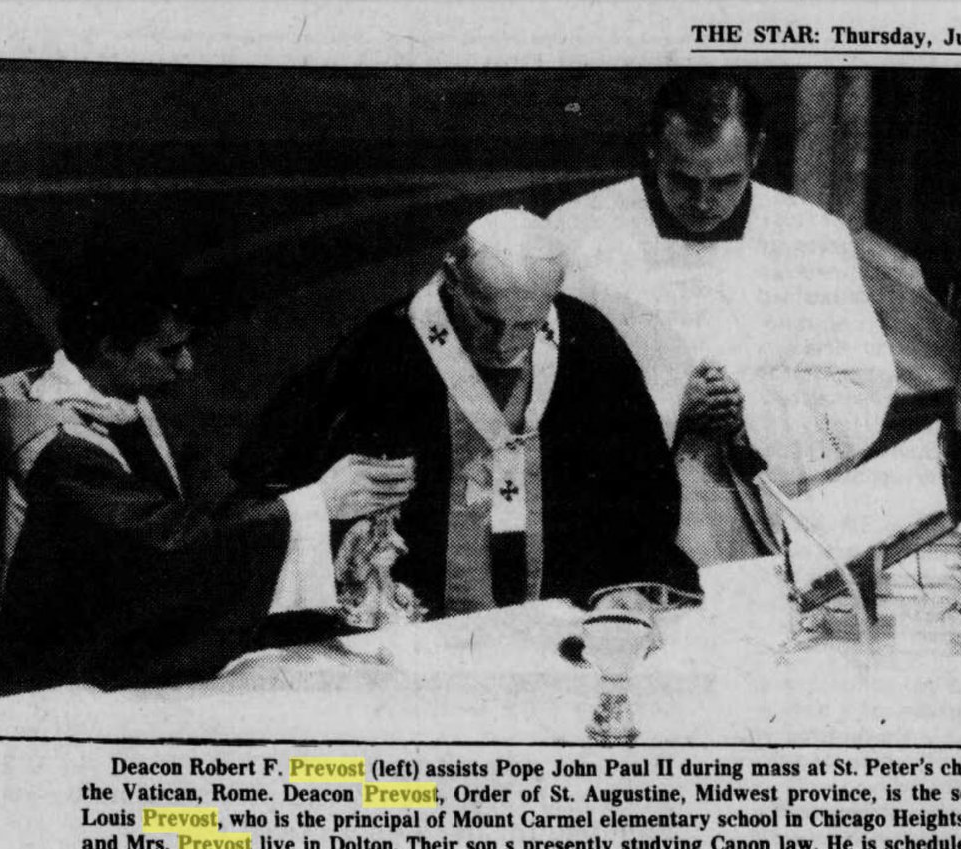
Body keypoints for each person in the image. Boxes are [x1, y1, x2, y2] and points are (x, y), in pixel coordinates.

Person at [235, 209, 698, 618]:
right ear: (451, 278)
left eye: (526, 326)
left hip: (563, 603)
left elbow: (640, 476)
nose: (503, 346)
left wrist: (623, 579)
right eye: (488, 320)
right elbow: (290, 473)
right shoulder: (383, 349)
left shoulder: (586, 338)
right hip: (418, 612)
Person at [0, 287, 413, 693]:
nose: (186, 364)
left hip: (144, 636)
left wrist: (332, 526)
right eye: (169, 350)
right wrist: (315, 505)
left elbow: (221, 501)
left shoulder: (122, 404)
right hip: (82, 671)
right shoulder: (59, 448)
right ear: (110, 348)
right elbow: (169, 547)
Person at [549, 71, 898, 566]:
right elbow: (542, 388)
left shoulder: (813, 238)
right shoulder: (578, 233)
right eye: (684, 180)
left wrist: (747, 412)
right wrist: (670, 405)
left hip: (771, 510)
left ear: (756, 153)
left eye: (726, 181)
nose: (704, 202)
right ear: (653, 149)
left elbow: (860, 388)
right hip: (618, 514)